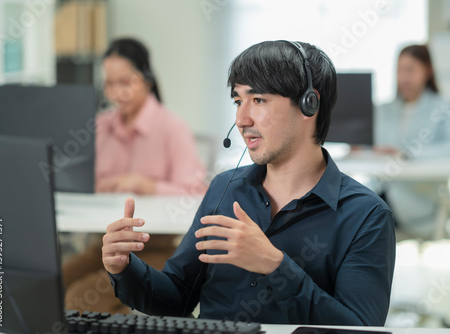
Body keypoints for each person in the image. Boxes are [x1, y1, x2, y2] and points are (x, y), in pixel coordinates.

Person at [102, 40, 396, 326]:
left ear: (310, 104)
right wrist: (126, 268)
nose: (241, 119)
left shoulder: (365, 216)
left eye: (258, 100)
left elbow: (360, 329)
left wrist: (275, 267)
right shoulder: (225, 189)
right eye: (238, 101)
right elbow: (178, 297)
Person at [63, 38, 207, 314]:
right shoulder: (101, 126)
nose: (116, 92)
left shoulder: (171, 127)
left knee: (81, 298)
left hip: (157, 247)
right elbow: (78, 180)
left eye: (125, 82)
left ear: (146, 80)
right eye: (109, 83)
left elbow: (197, 191)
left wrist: (146, 185)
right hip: (105, 243)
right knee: (54, 282)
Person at [375, 44, 450, 239]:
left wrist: (409, 153)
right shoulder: (385, 109)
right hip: (382, 192)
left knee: (358, 220)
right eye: (400, 70)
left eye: (410, 70)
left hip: (418, 200)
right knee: (346, 211)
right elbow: (376, 146)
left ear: (427, 70)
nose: (404, 77)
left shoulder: (444, 107)